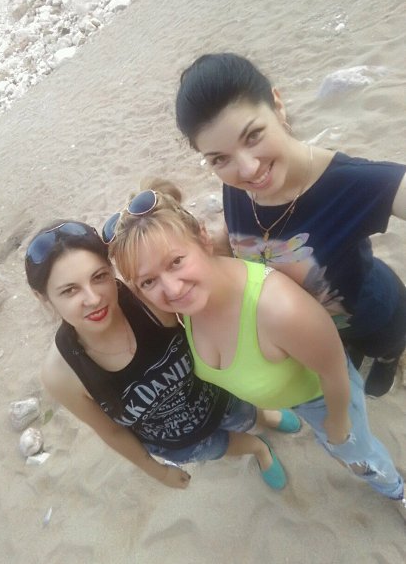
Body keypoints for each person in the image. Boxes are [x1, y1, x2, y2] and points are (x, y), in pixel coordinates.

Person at [106, 182, 406, 518]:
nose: (172, 288)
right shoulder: (184, 307)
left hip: (323, 398)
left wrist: (338, 425)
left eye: (176, 262)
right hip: (291, 396)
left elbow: (335, 369)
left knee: (356, 458)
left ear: (203, 239)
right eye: (148, 281)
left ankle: (396, 489)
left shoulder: (278, 309)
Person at [175, 52, 406, 398]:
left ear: (277, 105)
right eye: (219, 158)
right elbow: (233, 236)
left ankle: (389, 359)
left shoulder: (353, 183)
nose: (248, 169)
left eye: (253, 136)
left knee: (383, 346)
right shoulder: (236, 183)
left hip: (373, 313)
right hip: (316, 325)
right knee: (342, 355)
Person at [25, 220, 300, 491]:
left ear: (111, 269)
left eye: (99, 277)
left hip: (223, 398)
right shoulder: (61, 374)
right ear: (42, 297)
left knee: (248, 416)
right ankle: (259, 449)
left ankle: (266, 418)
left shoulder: (149, 299)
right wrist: (157, 471)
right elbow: (112, 431)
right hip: (178, 443)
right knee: (220, 446)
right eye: (70, 290)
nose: (94, 298)